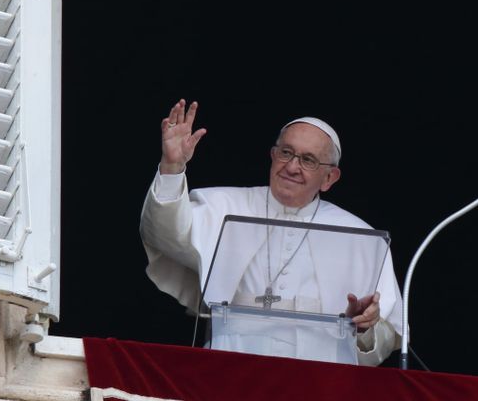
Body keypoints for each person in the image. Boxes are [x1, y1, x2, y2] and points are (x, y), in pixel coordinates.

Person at [139, 99, 402, 366]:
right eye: (286, 152)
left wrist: (364, 328)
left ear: (329, 178)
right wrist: (172, 167)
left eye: (308, 160)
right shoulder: (224, 205)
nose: (292, 167)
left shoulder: (360, 237)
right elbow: (165, 235)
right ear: (273, 155)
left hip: (318, 377)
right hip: (231, 365)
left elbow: (384, 338)